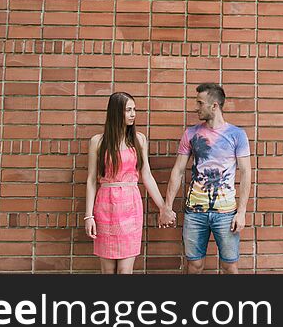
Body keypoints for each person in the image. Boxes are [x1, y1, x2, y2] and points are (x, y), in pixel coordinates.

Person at [162, 83, 251, 274]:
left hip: (226, 213)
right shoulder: (191, 133)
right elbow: (177, 171)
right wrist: (167, 206)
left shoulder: (237, 135)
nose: (196, 108)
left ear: (214, 106)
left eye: (200, 103)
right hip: (194, 212)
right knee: (194, 265)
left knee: (229, 266)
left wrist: (241, 212)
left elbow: (246, 174)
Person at [85, 92, 176, 274]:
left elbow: (147, 175)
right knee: (107, 270)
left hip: (130, 207)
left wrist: (163, 207)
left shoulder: (139, 140)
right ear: (116, 112)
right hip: (105, 207)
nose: (133, 114)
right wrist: (89, 216)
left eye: (134, 109)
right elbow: (91, 180)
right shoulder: (98, 142)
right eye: (128, 110)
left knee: (126, 271)